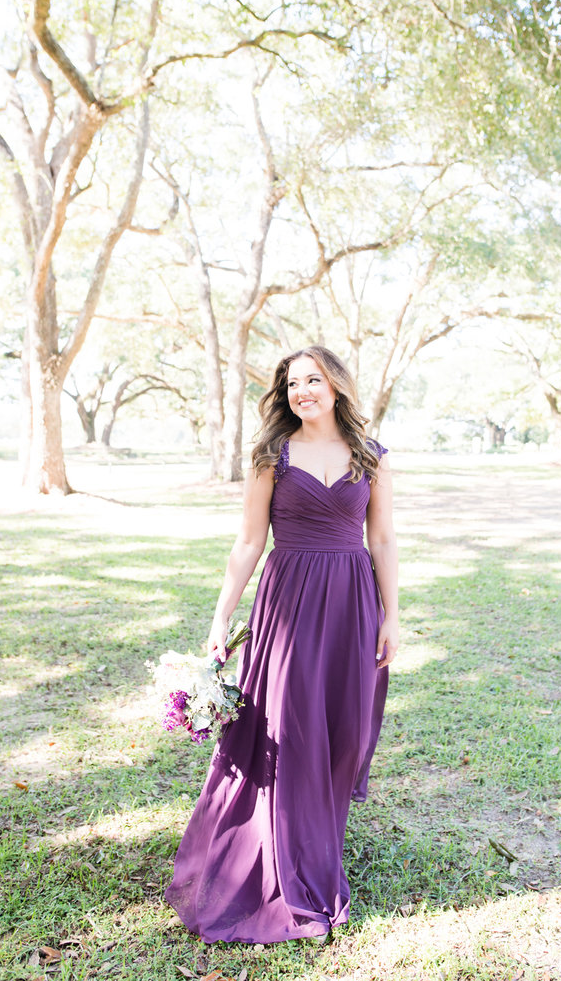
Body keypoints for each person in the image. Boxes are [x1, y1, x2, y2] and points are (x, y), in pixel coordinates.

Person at [168, 345, 401, 944]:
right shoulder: (272, 456)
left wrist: (391, 616)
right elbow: (248, 543)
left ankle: (318, 838)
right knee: (291, 726)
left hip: (353, 602)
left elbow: (383, 541)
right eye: (292, 382)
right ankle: (280, 857)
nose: (302, 391)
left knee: (341, 731)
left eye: (313, 380)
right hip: (290, 601)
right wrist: (222, 617)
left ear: (337, 387)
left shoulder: (371, 457)